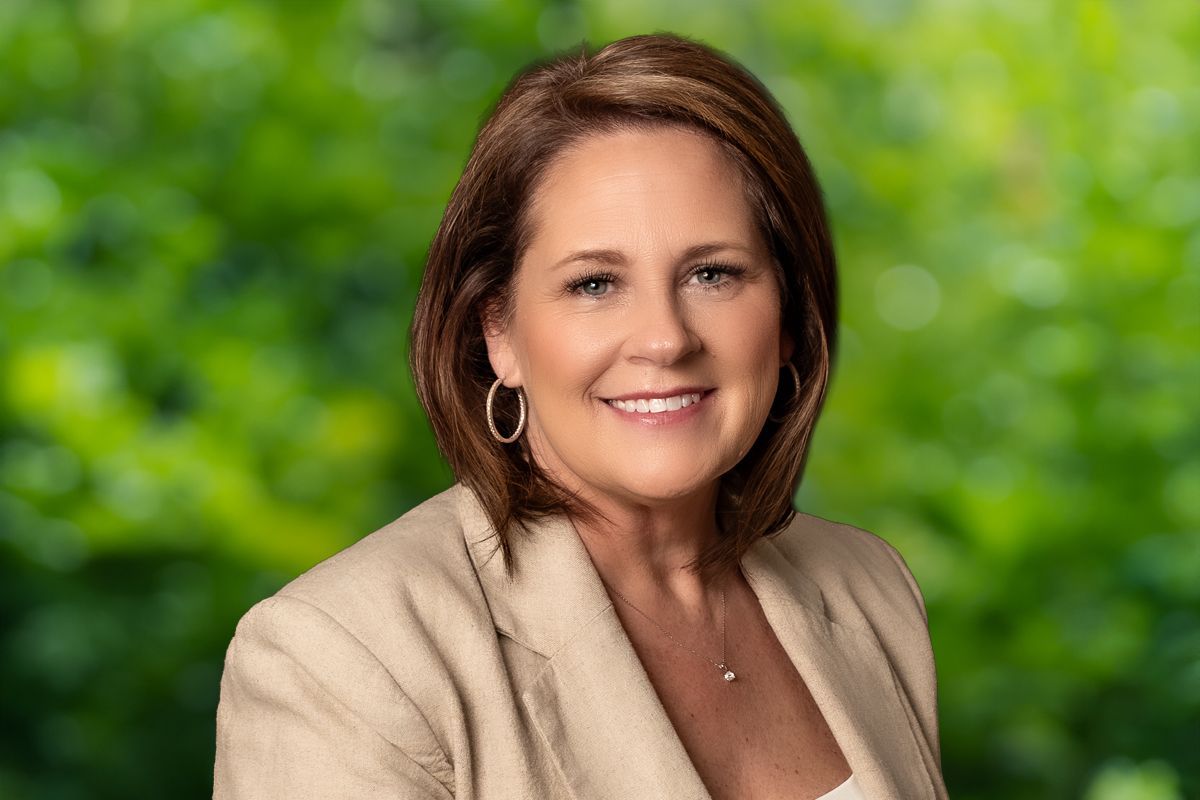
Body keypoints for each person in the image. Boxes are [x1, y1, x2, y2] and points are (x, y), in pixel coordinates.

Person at [212, 33, 947, 800]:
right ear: (499, 331)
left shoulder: (871, 590)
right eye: (595, 284)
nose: (665, 339)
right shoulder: (346, 656)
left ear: (789, 314)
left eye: (712, 273)